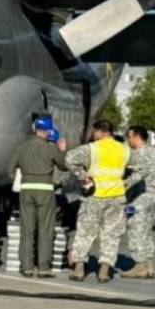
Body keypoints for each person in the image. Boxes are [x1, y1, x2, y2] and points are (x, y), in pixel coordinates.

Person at [65, 119, 129, 282]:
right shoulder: (124, 149)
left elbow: (69, 158)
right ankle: (104, 271)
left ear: (100, 131)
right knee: (111, 235)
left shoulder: (92, 148)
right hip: (116, 196)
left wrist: (82, 175)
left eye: (94, 132)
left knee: (85, 232)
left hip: (94, 195)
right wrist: (126, 182)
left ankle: (79, 269)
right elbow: (135, 167)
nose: (93, 135)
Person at [7, 115, 67, 277]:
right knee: (45, 230)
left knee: (27, 230)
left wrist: (20, 181)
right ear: (48, 131)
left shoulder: (21, 148)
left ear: (35, 129)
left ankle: (26, 267)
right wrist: (62, 150)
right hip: (45, 191)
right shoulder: (50, 148)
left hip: (26, 191)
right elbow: (64, 165)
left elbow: (10, 169)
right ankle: (43, 268)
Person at [122, 126, 155, 279]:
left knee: (135, 230)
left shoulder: (137, 155)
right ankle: (149, 265)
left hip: (138, 200)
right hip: (152, 199)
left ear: (137, 137)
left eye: (129, 137)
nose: (128, 140)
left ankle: (139, 266)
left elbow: (132, 178)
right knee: (146, 232)